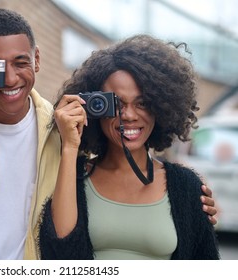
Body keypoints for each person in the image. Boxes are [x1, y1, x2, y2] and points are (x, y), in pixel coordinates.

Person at [0, 9, 216, 260]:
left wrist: (189, 208)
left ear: (37, 59)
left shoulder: (62, 131)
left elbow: (113, 188)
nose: (10, 78)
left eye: (20, 62)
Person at [38, 34, 220, 260]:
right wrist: (69, 146)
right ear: (93, 105)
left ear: (160, 107)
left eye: (142, 103)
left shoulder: (186, 186)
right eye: (116, 103)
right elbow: (59, 254)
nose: (129, 115)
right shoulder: (72, 176)